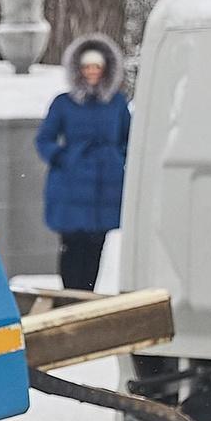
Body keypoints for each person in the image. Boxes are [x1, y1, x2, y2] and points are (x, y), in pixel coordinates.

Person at [35, 34, 129, 292]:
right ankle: (70, 297)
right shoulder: (64, 103)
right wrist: (63, 158)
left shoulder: (117, 103)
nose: (91, 72)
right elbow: (44, 139)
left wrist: (117, 160)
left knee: (95, 244)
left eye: (96, 67)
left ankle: (87, 299)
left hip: (105, 185)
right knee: (72, 245)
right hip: (72, 186)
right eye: (87, 67)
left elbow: (128, 138)